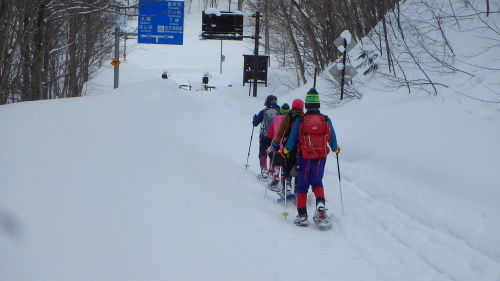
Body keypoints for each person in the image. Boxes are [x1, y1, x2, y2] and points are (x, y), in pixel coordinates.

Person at [282, 88, 340, 227]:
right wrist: (335, 148)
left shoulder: (301, 120)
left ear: (306, 105)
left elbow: (293, 137)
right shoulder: (325, 119)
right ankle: (320, 205)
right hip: (320, 159)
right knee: (317, 183)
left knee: (302, 186)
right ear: (318, 104)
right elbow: (332, 138)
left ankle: (302, 215)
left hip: (304, 158)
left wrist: (286, 150)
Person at [271, 99, 304, 194]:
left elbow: (280, 132)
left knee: (287, 168)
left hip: (288, 148)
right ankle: (298, 191)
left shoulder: (287, 117)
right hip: (301, 149)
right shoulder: (304, 118)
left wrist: (276, 145)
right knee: (298, 169)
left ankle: (287, 187)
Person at [253, 95, 280, 179]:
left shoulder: (263, 111)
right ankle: (273, 171)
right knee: (273, 154)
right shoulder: (280, 111)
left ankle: (264, 170)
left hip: (264, 136)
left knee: (263, 152)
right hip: (276, 137)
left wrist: (255, 118)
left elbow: (255, 123)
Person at [265, 103, 290, 192]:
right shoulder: (290, 120)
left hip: (277, 146)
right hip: (287, 148)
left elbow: (270, 134)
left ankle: (275, 177)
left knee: (276, 164)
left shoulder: (275, 119)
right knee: (284, 165)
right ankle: (283, 181)